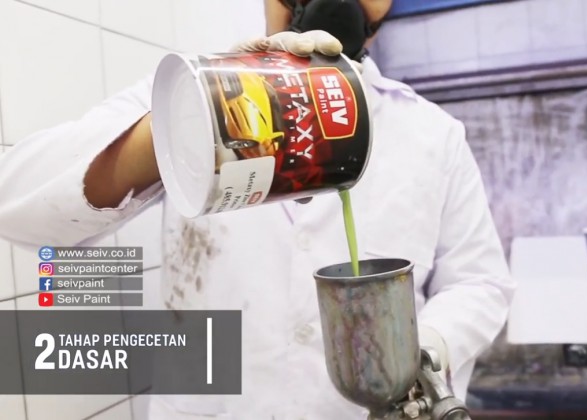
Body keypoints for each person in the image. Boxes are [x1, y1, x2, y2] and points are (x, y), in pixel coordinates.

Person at [0, 0, 515, 418]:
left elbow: (480, 282)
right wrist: (197, 117)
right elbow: (16, 204)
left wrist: (418, 351)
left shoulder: (432, 134)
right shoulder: (186, 90)